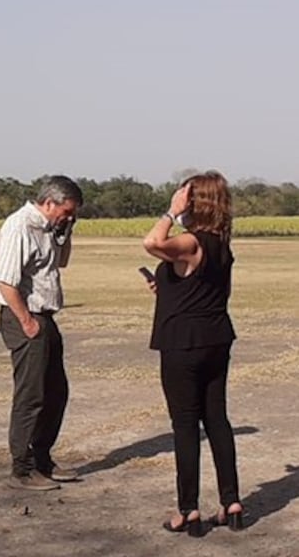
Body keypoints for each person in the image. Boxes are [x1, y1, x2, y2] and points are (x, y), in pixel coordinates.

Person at [142, 171, 242, 536]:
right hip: (216, 338)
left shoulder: (191, 241)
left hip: (183, 343)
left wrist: (170, 212)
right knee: (217, 419)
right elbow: (204, 289)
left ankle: (189, 510)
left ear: (193, 202)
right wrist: (165, 289)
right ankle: (231, 502)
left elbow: (152, 242)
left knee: (185, 425)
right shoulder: (221, 243)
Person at [0, 175, 83, 491]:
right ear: (49, 202)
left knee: (56, 392)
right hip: (25, 317)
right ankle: (22, 468)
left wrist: (65, 233)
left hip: (45, 316)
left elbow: (63, 262)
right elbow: (5, 281)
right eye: (67, 212)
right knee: (31, 395)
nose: (69, 218)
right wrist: (27, 322)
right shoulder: (19, 226)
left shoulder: (48, 229)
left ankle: (42, 458)